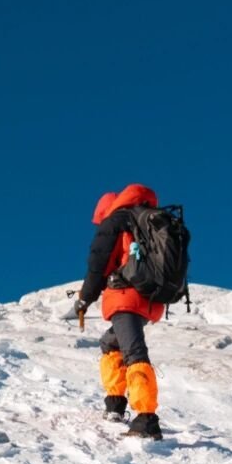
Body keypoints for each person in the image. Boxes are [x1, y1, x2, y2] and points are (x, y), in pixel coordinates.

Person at [74, 183, 167, 439]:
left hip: (126, 295)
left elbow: (98, 265)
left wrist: (84, 299)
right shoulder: (146, 220)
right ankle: (115, 405)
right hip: (150, 298)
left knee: (134, 352)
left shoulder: (116, 221)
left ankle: (146, 418)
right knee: (110, 342)